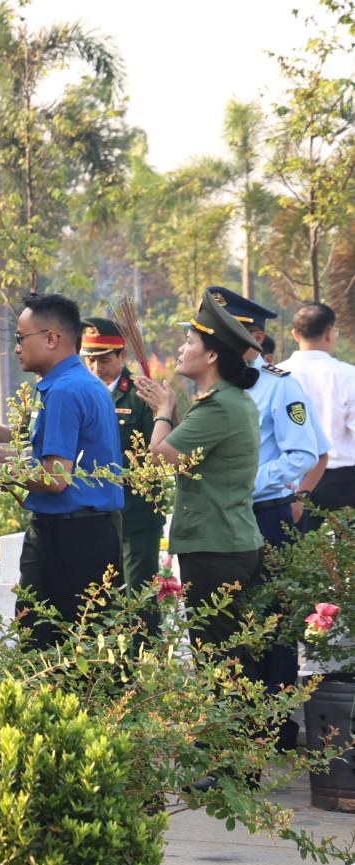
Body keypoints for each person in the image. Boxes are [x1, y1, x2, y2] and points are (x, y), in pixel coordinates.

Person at [132, 294, 266, 713]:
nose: (180, 349)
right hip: (226, 542)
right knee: (229, 659)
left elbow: (158, 460)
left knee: (218, 661)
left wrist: (163, 410)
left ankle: (226, 766)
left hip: (214, 547)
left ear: (211, 355)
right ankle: (234, 762)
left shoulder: (218, 406)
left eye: (189, 341)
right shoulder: (226, 402)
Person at [208, 286, 328, 750]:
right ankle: (232, 728)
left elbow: (303, 451)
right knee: (227, 623)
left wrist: (246, 481)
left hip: (263, 516)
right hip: (222, 520)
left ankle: (273, 727)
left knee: (271, 623)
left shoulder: (281, 385)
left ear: (255, 337)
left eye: (227, 333)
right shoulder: (213, 389)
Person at [0, 293, 124, 649]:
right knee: (90, 644)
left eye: (20, 339)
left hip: (68, 537)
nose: (16, 349)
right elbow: (70, 458)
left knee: (48, 644)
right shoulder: (83, 384)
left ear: (51, 338)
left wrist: (9, 471)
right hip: (92, 531)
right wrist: (15, 455)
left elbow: (55, 478)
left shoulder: (64, 391)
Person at [79, 316, 164, 604]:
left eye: (103, 359)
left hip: (135, 515)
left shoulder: (142, 396)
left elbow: (158, 454)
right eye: (89, 360)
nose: (95, 368)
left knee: (139, 600)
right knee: (103, 599)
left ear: (122, 355)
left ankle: (145, 650)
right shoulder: (82, 394)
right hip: (96, 516)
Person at [278, 303, 355, 525]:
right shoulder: (348, 376)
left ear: (294, 334)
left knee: (296, 553)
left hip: (291, 482)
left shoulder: (277, 376)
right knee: (345, 555)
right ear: (330, 333)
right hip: (343, 482)